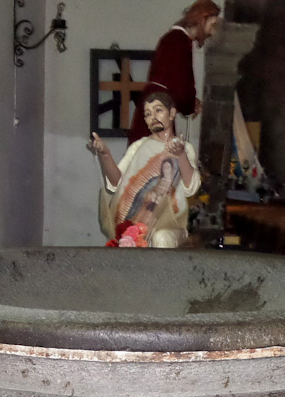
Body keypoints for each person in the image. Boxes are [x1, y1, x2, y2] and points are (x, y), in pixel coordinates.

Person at [90, 92, 201, 248]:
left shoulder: (185, 148)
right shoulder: (138, 147)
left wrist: (180, 154)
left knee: (161, 238)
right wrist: (105, 154)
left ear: (172, 113)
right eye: (148, 114)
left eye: (158, 110)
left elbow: (191, 188)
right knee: (132, 238)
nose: (153, 117)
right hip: (140, 220)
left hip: (171, 225)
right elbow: (116, 183)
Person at [126, 0, 221, 145]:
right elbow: (182, 86)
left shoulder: (173, 39)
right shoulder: (179, 42)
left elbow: (174, 81)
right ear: (202, 19)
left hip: (156, 105)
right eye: (212, 24)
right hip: (158, 110)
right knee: (156, 156)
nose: (211, 32)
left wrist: (189, 102)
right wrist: (189, 105)